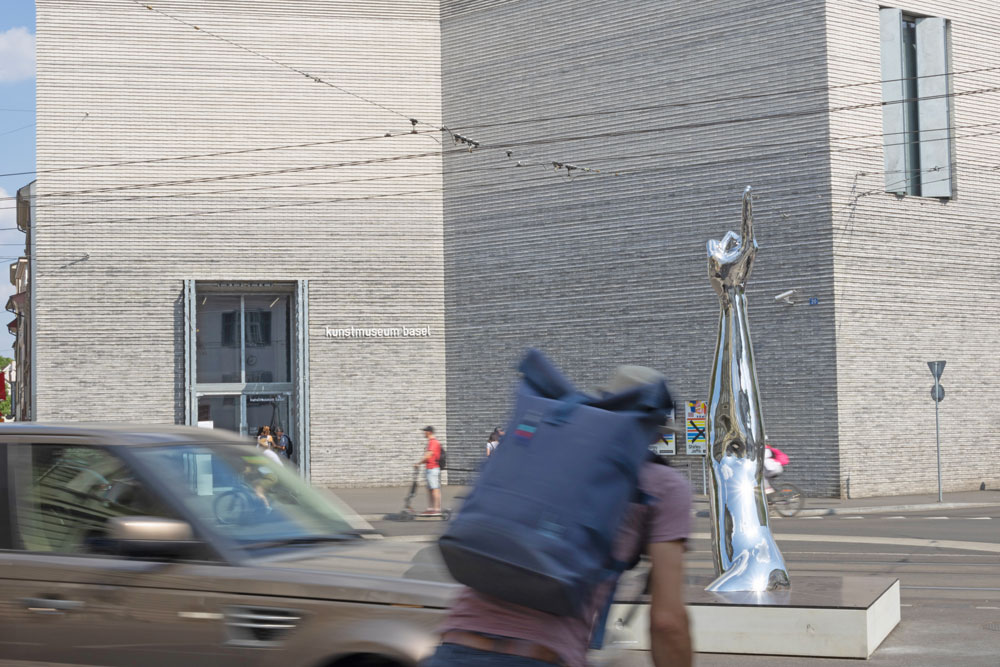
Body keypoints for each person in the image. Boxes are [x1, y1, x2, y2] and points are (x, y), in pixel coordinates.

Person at [424, 368, 693, 667]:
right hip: (540, 656)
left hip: (453, 647)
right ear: (657, 431)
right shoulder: (663, 485)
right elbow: (667, 622)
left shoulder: (543, 453)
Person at [415, 425, 442, 515]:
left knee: (434, 489)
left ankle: (436, 509)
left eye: (425, 431)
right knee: (431, 489)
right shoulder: (432, 442)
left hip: (432, 468)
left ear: (429, 432)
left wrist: (418, 463)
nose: (424, 433)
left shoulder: (433, 442)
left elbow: (429, 455)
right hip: (430, 468)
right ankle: (431, 508)